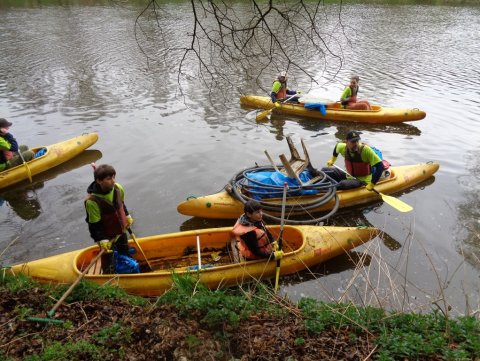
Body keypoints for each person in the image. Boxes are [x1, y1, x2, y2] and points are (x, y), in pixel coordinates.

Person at [85, 164, 134, 273]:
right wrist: (102, 239)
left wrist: (127, 216)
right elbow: (94, 225)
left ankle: (129, 270)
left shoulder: (118, 188)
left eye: (113, 177)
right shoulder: (92, 202)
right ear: (99, 181)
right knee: (109, 260)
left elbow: (121, 204)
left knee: (124, 250)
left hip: (120, 229)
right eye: (108, 179)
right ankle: (109, 275)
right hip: (105, 235)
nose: (113, 181)